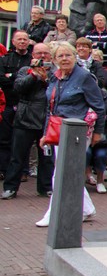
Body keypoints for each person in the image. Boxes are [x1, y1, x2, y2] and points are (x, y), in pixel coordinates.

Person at [35, 42, 106, 227]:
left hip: (77, 130)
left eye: (68, 55)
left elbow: (99, 105)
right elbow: (50, 108)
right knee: (68, 171)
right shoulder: (54, 77)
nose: (65, 59)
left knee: (60, 173)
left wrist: (98, 132)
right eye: (61, 56)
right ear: (54, 59)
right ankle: (87, 208)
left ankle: (53, 213)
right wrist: (45, 134)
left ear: (75, 57)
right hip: (58, 129)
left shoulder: (83, 77)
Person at [0, 43, 54, 199]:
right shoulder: (25, 70)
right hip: (25, 118)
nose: (42, 56)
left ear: (50, 55)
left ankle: (45, 188)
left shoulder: (55, 73)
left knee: (46, 157)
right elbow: (18, 88)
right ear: (33, 55)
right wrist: (34, 75)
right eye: (39, 53)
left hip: (46, 120)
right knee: (17, 156)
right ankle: (10, 188)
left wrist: (45, 79)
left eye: (45, 53)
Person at [0, 30, 33, 175]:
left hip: (26, 104)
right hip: (8, 103)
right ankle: (3, 169)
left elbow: (31, 82)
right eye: (19, 39)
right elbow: (1, 79)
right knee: (4, 138)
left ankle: (23, 171)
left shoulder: (33, 60)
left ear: (28, 42)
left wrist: (12, 76)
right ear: (13, 42)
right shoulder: (4, 59)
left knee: (23, 141)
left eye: (25, 39)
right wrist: (19, 79)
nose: (22, 41)